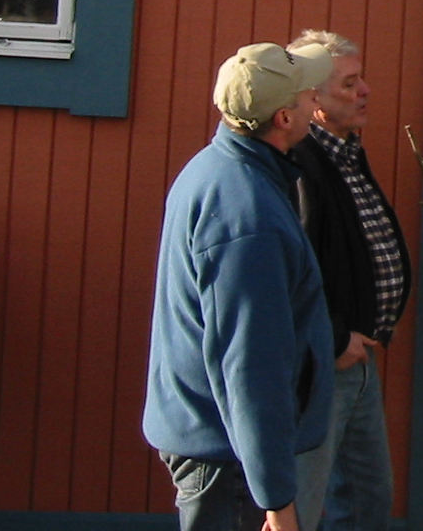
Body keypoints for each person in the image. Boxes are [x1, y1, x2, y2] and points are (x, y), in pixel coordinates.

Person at [144, 42, 337, 531]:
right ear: (284, 118)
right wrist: (277, 499)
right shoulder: (247, 214)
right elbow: (250, 364)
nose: (315, 99)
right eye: (305, 94)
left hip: (223, 447)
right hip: (229, 460)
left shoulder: (217, 169)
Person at [288, 30, 412, 531]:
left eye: (362, 80)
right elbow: (293, 271)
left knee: (366, 499)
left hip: (358, 359)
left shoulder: (346, 154)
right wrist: (335, 338)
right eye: (349, 83)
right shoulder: (301, 164)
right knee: (301, 501)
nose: (365, 91)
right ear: (313, 99)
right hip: (322, 361)